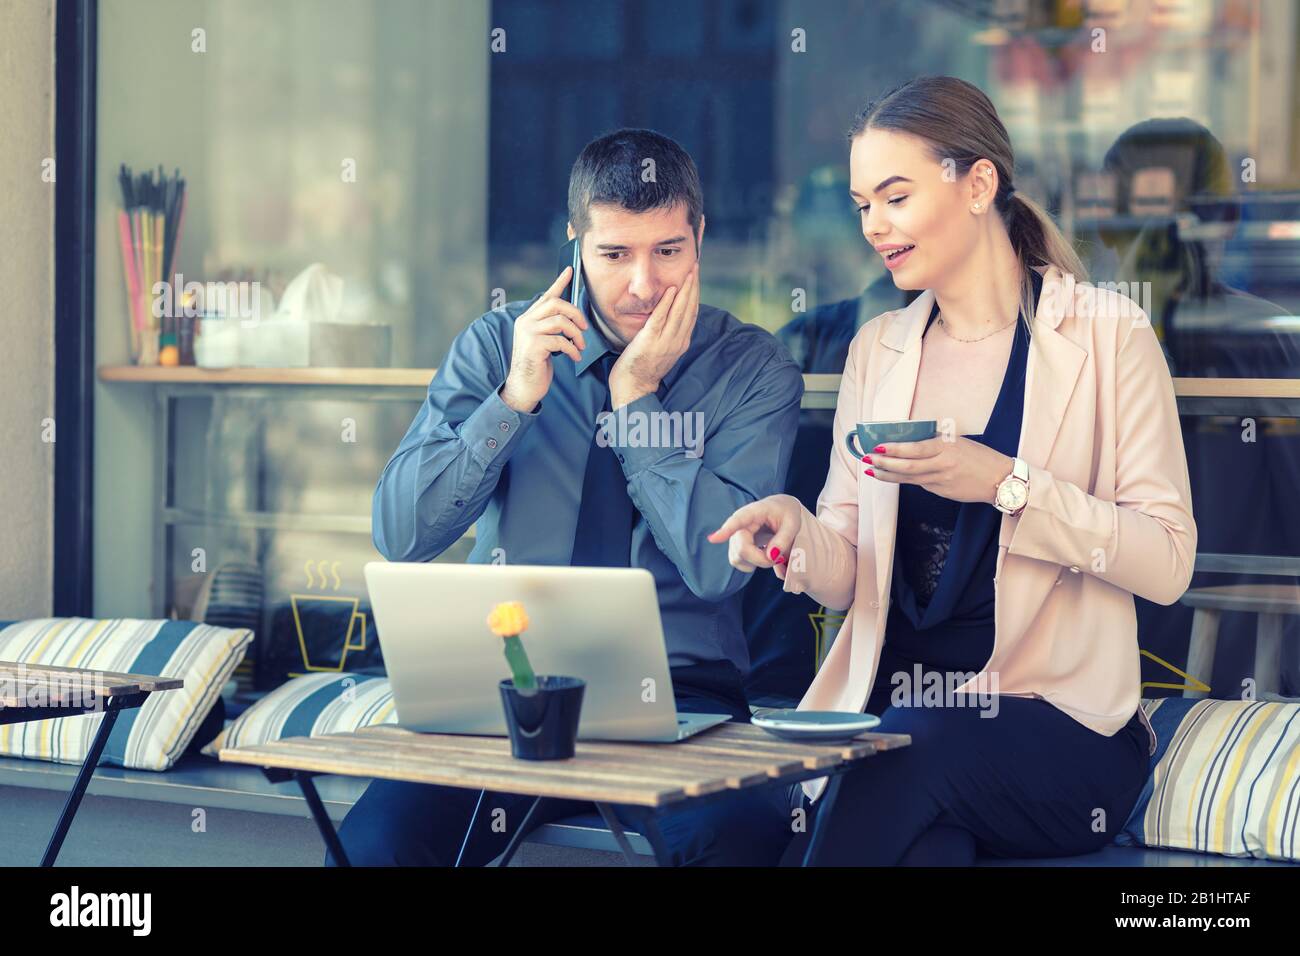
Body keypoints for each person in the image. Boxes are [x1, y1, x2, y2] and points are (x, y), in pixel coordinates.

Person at [709, 76, 1197, 866]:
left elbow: (1168, 562)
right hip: (898, 718)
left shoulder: (1110, 336)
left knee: (908, 751)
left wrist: (1009, 485)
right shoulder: (881, 348)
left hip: (1057, 730)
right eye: (864, 204)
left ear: (978, 184)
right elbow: (847, 568)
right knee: (926, 842)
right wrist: (797, 538)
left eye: (894, 197)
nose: (874, 226)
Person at [332, 128, 803, 866]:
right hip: (508, 692)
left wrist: (636, 398)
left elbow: (718, 570)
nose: (643, 285)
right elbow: (401, 532)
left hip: (684, 703)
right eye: (614, 254)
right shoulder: (498, 345)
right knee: (375, 846)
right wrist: (514, 401)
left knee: (738, 835)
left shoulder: (751, 369)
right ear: (575, 241)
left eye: (667, 252)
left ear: (700, 237)